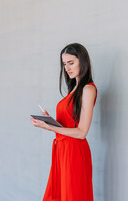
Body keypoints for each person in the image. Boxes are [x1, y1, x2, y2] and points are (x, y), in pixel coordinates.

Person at [30, 43, 97, 201]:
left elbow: (81, 132)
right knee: (60, 195)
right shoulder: (74, 89)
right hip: (62, 150)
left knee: (72, 195)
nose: (67, 68)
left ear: (83, 61)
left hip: (74, 152)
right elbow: (69, 123)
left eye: (71, 63)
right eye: (64, 64)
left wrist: (49, 127)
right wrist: (50, 121)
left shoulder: (88, 89)